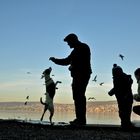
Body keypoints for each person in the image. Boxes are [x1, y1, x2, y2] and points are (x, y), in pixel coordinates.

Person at [49, 33, 92, 125]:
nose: (68, 44)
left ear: (73, 40)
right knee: (77, 97)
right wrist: (55, 60)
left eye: (68, 42)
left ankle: (81, 120)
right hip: (78, 76)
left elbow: (79, 63)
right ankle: (80, 119)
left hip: (82, 75)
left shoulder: (83, 48)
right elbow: (67, 61)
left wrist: (72, 67)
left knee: (79, 96)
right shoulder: (76, 50)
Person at [108, 64, 134, 129]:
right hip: (128, 97)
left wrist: (110, 92)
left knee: (123, 112)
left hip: (122, 98)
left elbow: (117, 88)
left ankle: (125, 124)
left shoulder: (118, 78)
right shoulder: (125, 77)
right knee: (127, 112)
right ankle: (126, 124)